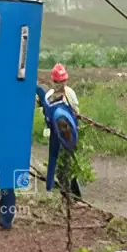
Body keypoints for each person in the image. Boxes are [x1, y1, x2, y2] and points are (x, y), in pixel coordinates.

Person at [48, 63, 82, 197]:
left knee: (68, 162)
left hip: (69, 134)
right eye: (58, 81)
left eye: (63, 81)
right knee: (59, 163)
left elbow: (77, 112)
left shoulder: (70, 93)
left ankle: (72, 193)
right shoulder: (49, 96)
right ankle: (66, 191)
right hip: (56, 134)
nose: (61, 84)